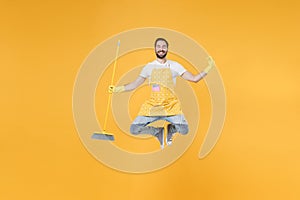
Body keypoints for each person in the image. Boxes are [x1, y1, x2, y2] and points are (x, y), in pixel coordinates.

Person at [109, 38, 214, 149]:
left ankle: (171, 129)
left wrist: (208, 68)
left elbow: (194, 78)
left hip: (170, 106)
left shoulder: (175, 66)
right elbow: (134, 84)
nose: (161, 49)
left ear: (167, 49)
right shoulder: (148, 67)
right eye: (158, 46)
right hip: (153, 106)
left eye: (164, 46)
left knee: (184, 130)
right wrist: (118, 89)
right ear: (155, 49)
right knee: (134, 129)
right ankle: (157, 132)